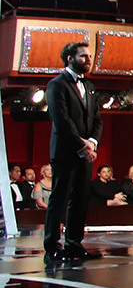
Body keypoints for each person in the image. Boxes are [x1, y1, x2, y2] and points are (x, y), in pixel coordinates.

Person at [43, 41, 104, 261]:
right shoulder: (56, 85)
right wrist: (82, 146)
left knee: (80, 199)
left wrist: (93, 143)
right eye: (84, 57)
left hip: (87, 152)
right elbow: (62, 121)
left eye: (89, 57)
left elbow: (97, 120)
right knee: (59, 199)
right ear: (70, 58)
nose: (89, 60)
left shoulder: (90, 86)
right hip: (66, 151)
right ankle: (52, 247)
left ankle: (74, 244)